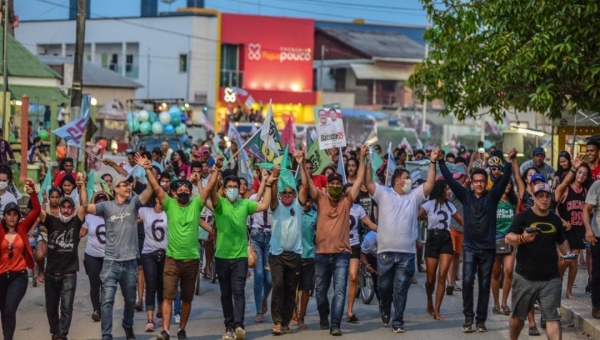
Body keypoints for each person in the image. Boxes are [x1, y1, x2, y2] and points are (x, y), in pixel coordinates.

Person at [439, 147, 515, 333]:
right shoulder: (465, 196)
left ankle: (481, 320)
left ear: (485, 182)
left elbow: (505, 178)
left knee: (484, 285)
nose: (479, 184)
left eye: (482, 181)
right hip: (470, 248)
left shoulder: (493, 196)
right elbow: (449, 179)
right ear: (471, 183)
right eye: (476, 181)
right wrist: (440, 161)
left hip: (488, 248)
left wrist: (510, 161)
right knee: (466, 282)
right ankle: (468, 317)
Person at [363, 147, 437, 333]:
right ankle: (385, 308)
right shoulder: (384, 193)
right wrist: (366, 160)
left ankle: (398, 321)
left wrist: (433, 162)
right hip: (385, 253)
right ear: (397, 181)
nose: (409, 181)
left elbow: (429, 184)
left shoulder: (414, 197)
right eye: (406, 178)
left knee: (401, 289)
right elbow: (368, 182)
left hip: (406, 254)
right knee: (384, 286)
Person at [84, 155, 154, 340]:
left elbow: (151, 190)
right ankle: (106, 335)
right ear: (115, 189)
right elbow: (84, 207)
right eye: (124, 185)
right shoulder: (106, 207)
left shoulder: (134, 203)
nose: (128, 187)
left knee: (130, 301)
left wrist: (146, 168)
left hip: (130, 262)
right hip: (111, 263)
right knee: (107, 301)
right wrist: (81, 187)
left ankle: (128, 325)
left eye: (129, 185)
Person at [299, 145, 367, 336]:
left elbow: (360, 179)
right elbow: (307, 185)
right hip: (320, 254)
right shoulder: (320, 198)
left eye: (339, 183)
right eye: (333, 183)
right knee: (320, 292)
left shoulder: (347, 200)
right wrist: (302, 164)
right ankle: (324, 315)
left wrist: (362, 158)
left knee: (339, 291)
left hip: (342, 255)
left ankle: (335, 324)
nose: (336, 186)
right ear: (327, 185)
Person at [208, 159, 276, 340]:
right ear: (224, 188)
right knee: (225, 294)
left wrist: (268, 184)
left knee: (238, 291)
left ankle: (239, 326)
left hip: (240, 257)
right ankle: (228, 326)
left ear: (239, 189)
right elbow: (211, 193)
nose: (232, 189)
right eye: (229, 186)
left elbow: (264, 205)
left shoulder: (245, 205)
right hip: (222, 256)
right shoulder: (219, 204)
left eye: (235, 186)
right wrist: (216, 172)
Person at [149, 160, 213, 340]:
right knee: (168, 296)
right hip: (172, 260)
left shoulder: (195, 205)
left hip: (192, 261)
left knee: (187, 299)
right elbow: (155, 186)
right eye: (180, 191)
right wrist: (147, 169)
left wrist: (214, 171)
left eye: (187, 190)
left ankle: (181, 329)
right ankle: (166, 331)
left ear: (191, 193)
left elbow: (207, 191)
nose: (184, 192)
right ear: (174, 194)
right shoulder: (168, 204)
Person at [505, 183, 573, 340]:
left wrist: (568, 254)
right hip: (524, 277)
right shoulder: (523, 216)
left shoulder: (555, 220)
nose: (544, 199)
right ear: (534, 198)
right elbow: (508, 238)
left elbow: (562, 241)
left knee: (552, 318)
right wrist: (522, 238)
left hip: (550, 278)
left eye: (547, 196)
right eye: (540, 196)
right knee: (517, 318)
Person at [39, 174, 87, 340]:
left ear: (73, 210)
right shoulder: (52, 222)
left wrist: (81, 187)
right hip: (51, 273)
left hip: (69, 274)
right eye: (63, 207)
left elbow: (85, 206)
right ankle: (54, 331)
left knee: (66, 306)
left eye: (69, 207)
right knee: (51, 307)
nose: (66, 210)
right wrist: (34, 192)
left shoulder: (76, 222)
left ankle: (62, 334)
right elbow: (38, 211)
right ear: (59, 209)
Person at [268, 152, 310, 335]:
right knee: (277, 286)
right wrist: (275, 176)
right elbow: (271, 194)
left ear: (294, 193)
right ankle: (276, 321)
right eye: (284, 192)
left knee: (290, 290)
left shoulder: (298, 206)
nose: (286, 195)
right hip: (277, 254)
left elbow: (306, 187)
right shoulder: (275, 205)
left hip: (295, 255)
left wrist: (301, 164)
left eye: (290, 192)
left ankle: (285, 323)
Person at [418, 179, 463, 320]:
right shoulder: (429, 205)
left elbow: (462, 221)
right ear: (440, 190)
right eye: (446, 189)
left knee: (442, 276)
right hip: (432, 239)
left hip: (445, 239)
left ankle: (437, 310)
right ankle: (429, 301)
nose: (449, 191)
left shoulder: (450, 206)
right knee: (430, 279)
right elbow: (414, 216)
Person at [555, 155, 590, 300]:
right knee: (564, 261)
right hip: (564, 232)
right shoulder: (566, 189)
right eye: (579, 172)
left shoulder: (586, 192)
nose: (581, 176)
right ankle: (556, 286)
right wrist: (562, 221)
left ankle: (569, 291)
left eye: (585, 174)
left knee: (574, 264)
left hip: (577, 231)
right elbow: (554, 208)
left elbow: (588, 211)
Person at [346, 183, 378, 323]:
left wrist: (387, 230)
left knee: (353, 277)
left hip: (354, 246)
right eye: (347, 193)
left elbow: (370, 225)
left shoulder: (358, 208)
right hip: (338, 247)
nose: (351, 195)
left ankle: (350, 311)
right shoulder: (338, 205)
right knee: (339, 281)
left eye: (353, 192)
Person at [138, 195, 168, 333]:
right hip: (149, 253)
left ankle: (161, 312)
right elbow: (132, 217)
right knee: (151, 285)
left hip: (166, 252)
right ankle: (150, 320)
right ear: (156, 199)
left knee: (162, 286)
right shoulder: (145, 211)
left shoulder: (169, 212)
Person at [248, 172, 274, 324]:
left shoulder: (274, 199)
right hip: (257, 237)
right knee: (259, 276)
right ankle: (259, 311)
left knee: (269, 278)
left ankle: (264, 299)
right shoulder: (253, 199)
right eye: (263, 180)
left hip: (270, 238)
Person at [80, 192, 109, 322]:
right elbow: (81, 232)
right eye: (98, 202)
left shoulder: (112, 217)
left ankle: (104, 308)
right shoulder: (90, 217)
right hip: (92, 255)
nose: (101, 204)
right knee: (94, 284)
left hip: (108, 256)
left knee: (106, 285)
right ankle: (96, 310)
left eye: (104, 202)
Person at [491, 182, 517, 316]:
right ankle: (495, 303)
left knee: (508, 270)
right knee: (495, 273)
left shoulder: (514, 201)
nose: (507, 185)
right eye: (504, 183)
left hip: (509, 238)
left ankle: (504, 303)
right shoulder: (493, 201)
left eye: (509, 183)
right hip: (494, 238)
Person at [447, 163, 467, 295]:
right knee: (450, 255)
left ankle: (453, 281)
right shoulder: (455, 188)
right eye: (456, 177)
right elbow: (459, 191)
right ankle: (449, 282)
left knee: (456, 257)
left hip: (463, 228)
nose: (458, 179)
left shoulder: (469, 188)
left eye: (460, 177)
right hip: (452, 226)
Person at [297, 192, 316, 331]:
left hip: (309, 256)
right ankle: (291, 312)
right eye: (305, 200)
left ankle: (301, 317)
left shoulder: (315, 216)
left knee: (305, 289)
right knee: (291, 288)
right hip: (293, 255)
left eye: (309, 201)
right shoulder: (293, 212)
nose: (307, 203)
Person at [582, 174, 600, 319]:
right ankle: (597, 306)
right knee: (598, 274)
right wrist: (588, 229)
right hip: (598, 236)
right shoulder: (597, 185)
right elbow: (586, 209)